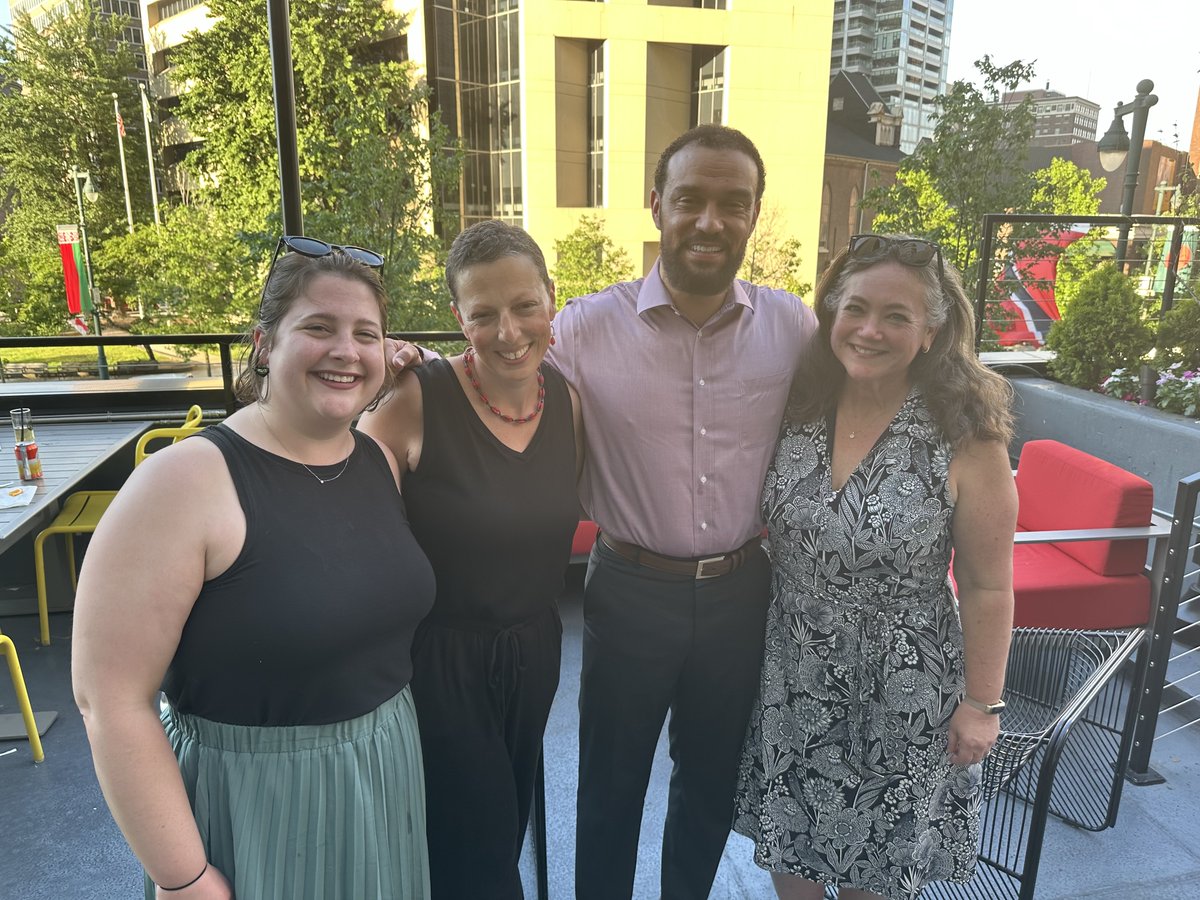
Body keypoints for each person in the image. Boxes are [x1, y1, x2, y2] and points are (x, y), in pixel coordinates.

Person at [72, 240, 435, 900]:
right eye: (318, 327)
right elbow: (111, 702)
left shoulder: (376, 463)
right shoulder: (182, 483)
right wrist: (183, 878)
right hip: (257, 803)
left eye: (367, 334)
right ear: (265, 345)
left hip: (384, 780)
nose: (346, 351)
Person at [549, 125, 818, 900]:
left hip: (743, 591)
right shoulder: (583, 326)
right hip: (629, 589)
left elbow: (874, 382)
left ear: (755, 215)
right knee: (610, 785)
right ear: (657, 203)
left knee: (707, 787)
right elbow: (505, 400)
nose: (710, 221)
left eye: (733, 204)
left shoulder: (792, 326)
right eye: (691, 199)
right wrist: (410, 368)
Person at [734, 234, 1017, 900]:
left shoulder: (966, 437)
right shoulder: (798, 407)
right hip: (791, 677)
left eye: (896, 316)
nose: (870, 330)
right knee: (793, 856)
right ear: (830, 312)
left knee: (876, 875)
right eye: (856, 309)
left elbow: (987, 585)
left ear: (931, 332)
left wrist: (982, 704)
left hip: (902, 692)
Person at [360, 220, 582, 899]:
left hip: (536, 649)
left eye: (523, 307)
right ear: (459, 317)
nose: (509, 332)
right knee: (478, 850)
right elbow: (341, 499)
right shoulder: (415, 398)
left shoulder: (568, 402)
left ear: (551, 300)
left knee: (502, 824)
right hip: (441, 660)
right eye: (484, 315)